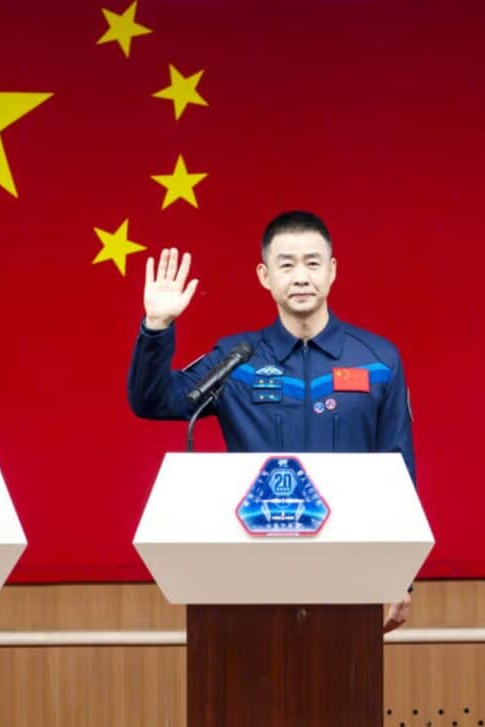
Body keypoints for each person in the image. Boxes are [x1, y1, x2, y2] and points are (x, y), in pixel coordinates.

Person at [128, 210, 415, 631]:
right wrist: (158, 326)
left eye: (313, 263)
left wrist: (400, 575)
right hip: (249, 576)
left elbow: (400, 473)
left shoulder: (378, 361)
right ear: (264, 276)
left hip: (349, 576)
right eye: (286, 264)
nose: (301, 277)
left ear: (332, 271)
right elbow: (152, 401)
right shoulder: (237, 360)